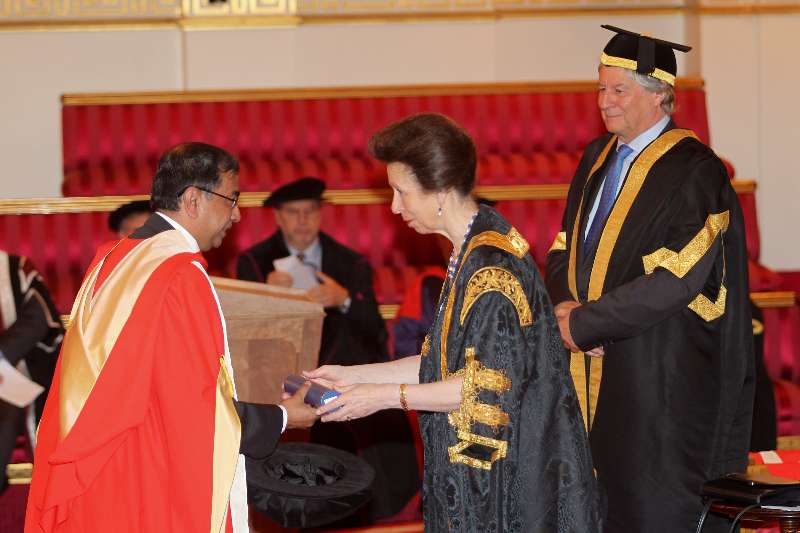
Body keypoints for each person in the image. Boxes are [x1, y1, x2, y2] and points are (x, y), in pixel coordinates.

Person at [306, 113, 601, 531]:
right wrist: (351, 377)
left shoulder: (491, 271)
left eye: (401, 192)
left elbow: (483, 385)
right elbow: (439, 362)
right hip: (478, 476)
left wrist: (382, 397)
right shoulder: (469, 252)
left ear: (441, 190)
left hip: (506, 484)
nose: (394, 207)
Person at [25, 142, 318, 533]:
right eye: (232, 198)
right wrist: (283, 417)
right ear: (194, 199)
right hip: (141, 473)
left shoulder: (115, 257)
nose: (236, 214)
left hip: (99, 461)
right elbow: (194, 407)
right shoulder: (178, 274)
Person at [544, 25, 754, 532]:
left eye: (619, 90)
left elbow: (677, 277)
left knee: (648, 506)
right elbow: (563, 245)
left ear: (660, 95)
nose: (604, 102)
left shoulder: (694, 169)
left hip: (656, 370)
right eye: (600, 88)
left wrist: (589, 324)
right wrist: (566, 309)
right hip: (587, 369)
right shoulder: (596, 158)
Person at [236, 177, 419, 523]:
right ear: (278, 217)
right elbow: (246, 338)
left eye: (310, 212)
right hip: (280, 376)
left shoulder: (349, 263)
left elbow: (376, 333)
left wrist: (345, 299)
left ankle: (361, 514)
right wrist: (264, 293)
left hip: (339, 374)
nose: (302, 220)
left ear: (320, 216)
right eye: (294, 213)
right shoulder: (255, 262)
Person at [0, 251, 63, 492]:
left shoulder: (14, 268)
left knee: (8, 405)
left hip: (11, 367)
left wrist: (3, 354)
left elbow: (38, 319)